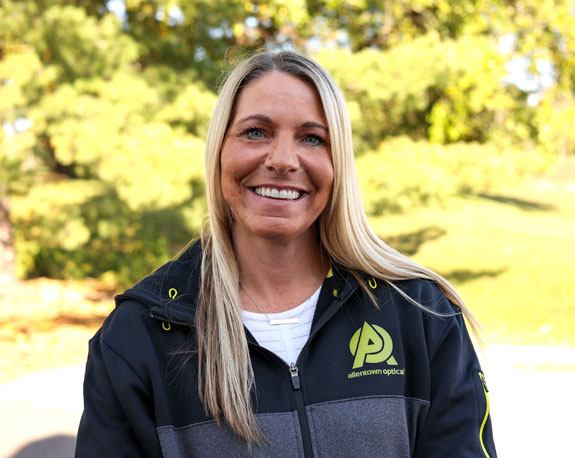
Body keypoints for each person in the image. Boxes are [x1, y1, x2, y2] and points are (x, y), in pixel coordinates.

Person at [75, 50, 496, 458]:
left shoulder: (421, 314)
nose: (282, 160)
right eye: (255, 132)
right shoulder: (138, 336)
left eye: (312, 138)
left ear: (338, 164)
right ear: (220, 150)